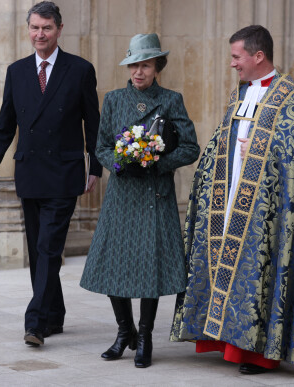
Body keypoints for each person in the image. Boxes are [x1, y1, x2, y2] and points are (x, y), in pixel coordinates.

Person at [170, 25, 294, 375]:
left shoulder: (290, 98)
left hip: (266, 206)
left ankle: (257, 354)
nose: (232, 64)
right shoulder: (240, 94)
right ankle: (225, 341)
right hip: (227, 199)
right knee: (225, 267)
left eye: (237, 57)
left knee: (257, 273)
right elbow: (225, 141)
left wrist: (263, 153)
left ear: (258, 56)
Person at [0, 1, 102, 347]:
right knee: (38, 250)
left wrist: (95, 167)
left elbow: (92, 123)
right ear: (28, 29)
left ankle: (35, 322)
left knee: (49, 247)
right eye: (34, 28)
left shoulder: (79, 69)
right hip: (29, 172)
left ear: (59, 29)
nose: (40, 34)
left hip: (64, 174)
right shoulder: (17, 72)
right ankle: (55, 314)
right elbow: (4, 127)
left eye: (46, 28)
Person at [80, 33, 200, 368]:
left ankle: (145, 335)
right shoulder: (115, 100)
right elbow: (101, 145)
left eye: (145, 65)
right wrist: (118, 162)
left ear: (157, 67)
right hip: (122, 193)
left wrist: (158, 163)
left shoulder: (172, 100)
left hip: (155, 193)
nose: (138, 71)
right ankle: (124, 332)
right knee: (113, 263)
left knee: (149, 266)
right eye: (134, 64)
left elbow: (191, 147)